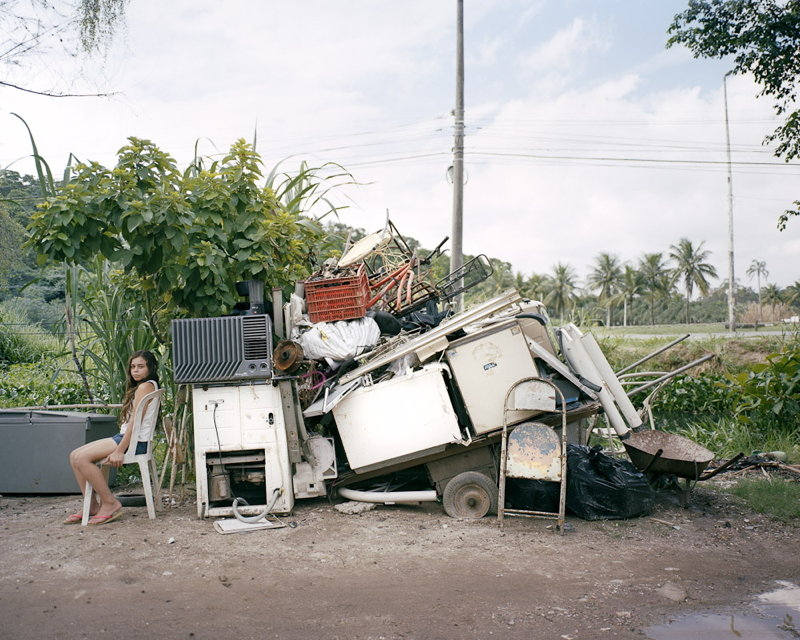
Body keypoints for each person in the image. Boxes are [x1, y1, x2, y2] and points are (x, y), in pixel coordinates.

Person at [64, 350, 160, 525]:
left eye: (141, 366)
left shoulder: (145, 386)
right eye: (132, 367)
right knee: (74, 456)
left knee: (81, 458)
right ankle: (92, 504)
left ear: (151, 368)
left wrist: (118, 451)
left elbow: (134, 424)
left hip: (134, 442)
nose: (136, 371)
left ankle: (109, 502)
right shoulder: (146, 386)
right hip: (128, 439)